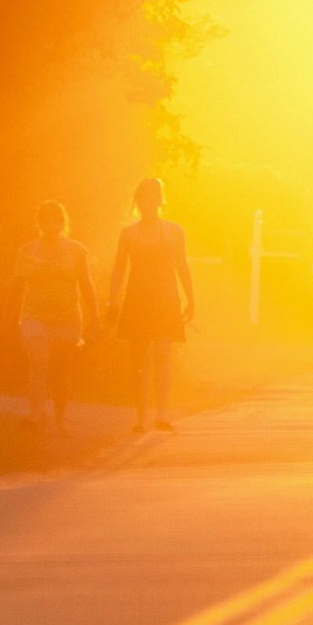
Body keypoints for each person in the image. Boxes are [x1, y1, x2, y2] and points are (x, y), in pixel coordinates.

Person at [108, 177, 195, 433]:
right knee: (138, 360)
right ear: (138, 201)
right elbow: (118, 269)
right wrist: (113, 301)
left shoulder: (174, 231)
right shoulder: (129, 233)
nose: (149, 202)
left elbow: (182, 265)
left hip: (166, 299)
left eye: (153, 197)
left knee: (163, 354)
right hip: (137, 300)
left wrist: (191, 298)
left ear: (160, 200)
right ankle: (141, 417)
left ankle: (163, 414)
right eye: (143, 198)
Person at [9, 200, 98, 433]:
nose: (51, 224)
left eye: (56, 219)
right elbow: (16, 286)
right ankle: (35, 417)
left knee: (61, 370)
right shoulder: (26, 252)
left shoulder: (77, 251)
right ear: (39, 223)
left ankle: (60, 420)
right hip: (33, 315)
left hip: (67, 317)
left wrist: (95, 318)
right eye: (46, 219)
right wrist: (8, 317)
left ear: (63, 222)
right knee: (39, 363)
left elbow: (86, 285)